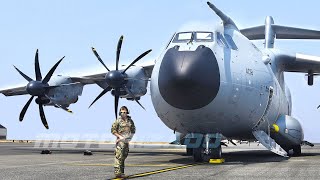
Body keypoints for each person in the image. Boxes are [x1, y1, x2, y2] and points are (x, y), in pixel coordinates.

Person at [111, 106, 136, 178]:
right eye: (121, 112)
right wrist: (120, 137)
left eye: (124, 112)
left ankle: (122, 172)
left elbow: (133, 130)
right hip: (120, 142)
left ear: (127, 113)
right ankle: (117, 173)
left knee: (124, 156)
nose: (123, 114)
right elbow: (113, 130)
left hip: (126, 141)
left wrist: (129, 138)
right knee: (119, 156)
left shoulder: (130, 121)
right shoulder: (118, 121)